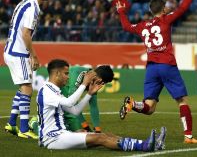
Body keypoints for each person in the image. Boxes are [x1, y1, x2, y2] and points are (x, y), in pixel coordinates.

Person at [116, 0, 197, 144]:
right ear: (163, 9)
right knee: (182, 101)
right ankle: (188, 136)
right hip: (167, 65)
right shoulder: (166, 20)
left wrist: (121, 12)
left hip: (151, 69)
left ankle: (133, 104)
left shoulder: (142, 26)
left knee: (149, 108)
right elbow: (183, 7)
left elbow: (126, 26)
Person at [37, 59, 166, 151]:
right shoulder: (47, 91)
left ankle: (148, 143)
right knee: (101, 138)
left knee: (106, 135)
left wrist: (89, 93)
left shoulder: (53, 91)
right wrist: (84, 84)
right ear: (57, 73)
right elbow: (70, 102)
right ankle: (143, 146)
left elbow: (74, 111)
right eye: (66, 73)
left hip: (60, 135)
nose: (67, 76)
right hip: (54, 138)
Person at [3, 0, 50, 139]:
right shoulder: (32, 7)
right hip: (18, 53)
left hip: (11, 49)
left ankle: (11, 123)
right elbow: (25, 34)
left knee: (23, 89)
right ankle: (24, 129)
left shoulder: (24, 2)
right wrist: (34, 56)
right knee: (27, 88)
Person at [30, 65, 113, 134]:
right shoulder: (78, 74)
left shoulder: (94, 81)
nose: (102, 85)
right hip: (58, 94)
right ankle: (34, 122)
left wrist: (97, 130)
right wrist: (85, 126)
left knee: (79, 132)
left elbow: (94, 106)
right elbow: (71, 103)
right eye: (104, 83)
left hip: (67, 101)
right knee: (56, 131)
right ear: (100, 80)